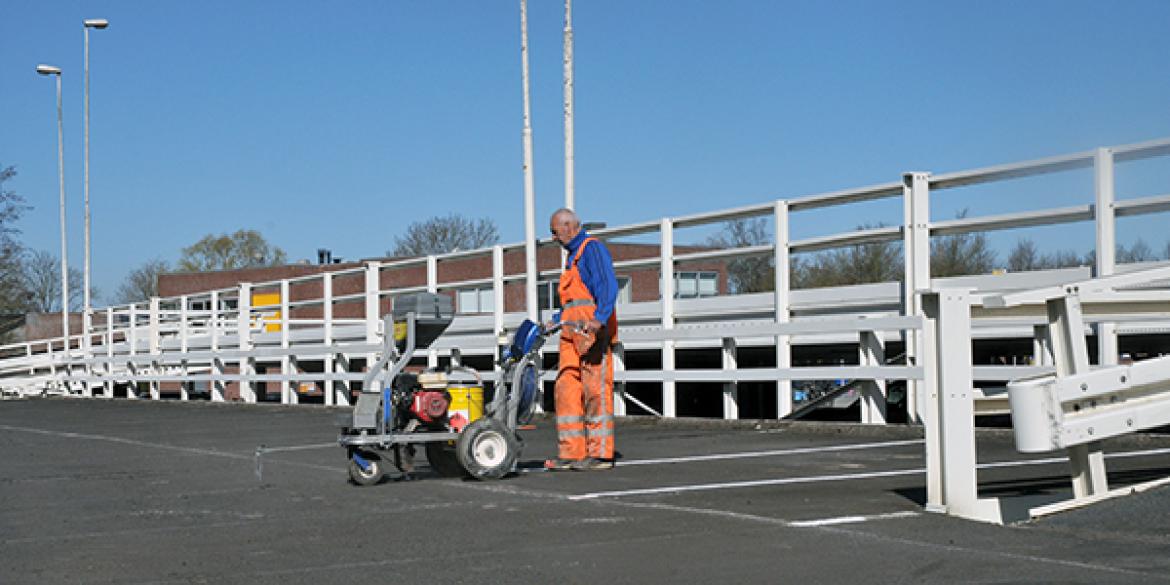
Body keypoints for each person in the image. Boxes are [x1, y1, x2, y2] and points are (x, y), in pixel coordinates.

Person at [544, 208, 619, 471]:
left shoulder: (591, 249)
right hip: (570, 333)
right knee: (566, 389)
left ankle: (600, 454)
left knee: (595, 390)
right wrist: (556, 319)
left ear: (569, 226)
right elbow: (574, 301)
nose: (553, 237)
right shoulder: (572, 258)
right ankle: (572, 452)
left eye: (554, 231)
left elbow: (607, 287)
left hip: (590, 333)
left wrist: (599, 321)